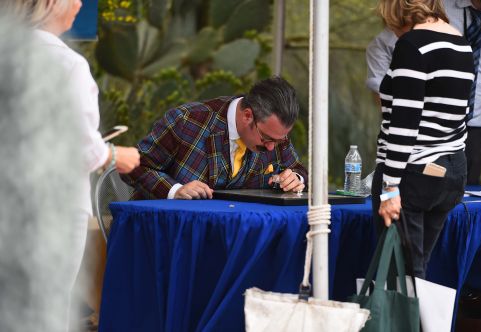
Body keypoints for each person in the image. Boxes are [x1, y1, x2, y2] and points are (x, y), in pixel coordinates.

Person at [5, 0, 141, 329]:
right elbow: (78, 147)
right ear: (51, 3)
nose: (81, 4)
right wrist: (114, 155)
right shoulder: (66, 64)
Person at [371, 0, 474, 278]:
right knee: (416, 272)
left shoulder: (413, 44)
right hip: (450, 169)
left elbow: (406, 120)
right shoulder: (461, 43)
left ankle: (408, 323)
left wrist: (390, 187)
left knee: (402, 277)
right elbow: (464, 112)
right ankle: (421, 321)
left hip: (413, 172)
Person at [366, 0, 481, 185]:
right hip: (417, 137)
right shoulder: (433, 9)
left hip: (472, 131)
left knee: (466, 204)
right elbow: (389, 41)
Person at [124, 76, 307, 199]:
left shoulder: (274, 134)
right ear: (247, 116)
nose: (271, 148)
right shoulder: (185, 120)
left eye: (279, 140)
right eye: (266, 138)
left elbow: (298, 169)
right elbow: (132, 166)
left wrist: (297, 179)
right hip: (167, 235)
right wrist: (175, 190)